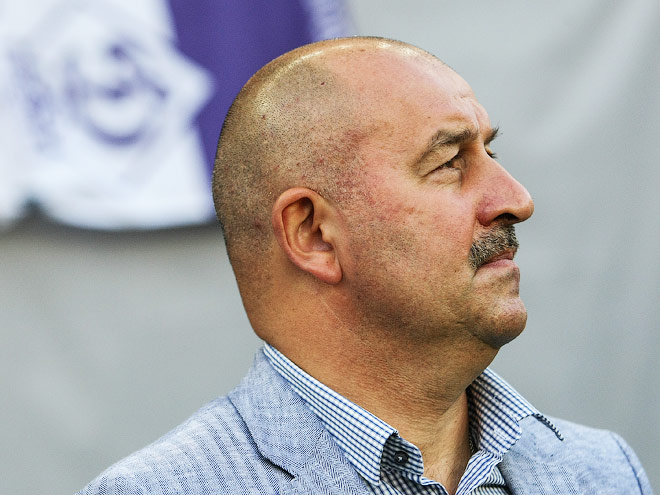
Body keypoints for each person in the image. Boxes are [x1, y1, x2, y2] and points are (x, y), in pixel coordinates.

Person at [78, 37, 653, 495]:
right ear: (313, 234)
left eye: (490, 152)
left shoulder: (601, 472)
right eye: (449, 162)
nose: (517, 199)